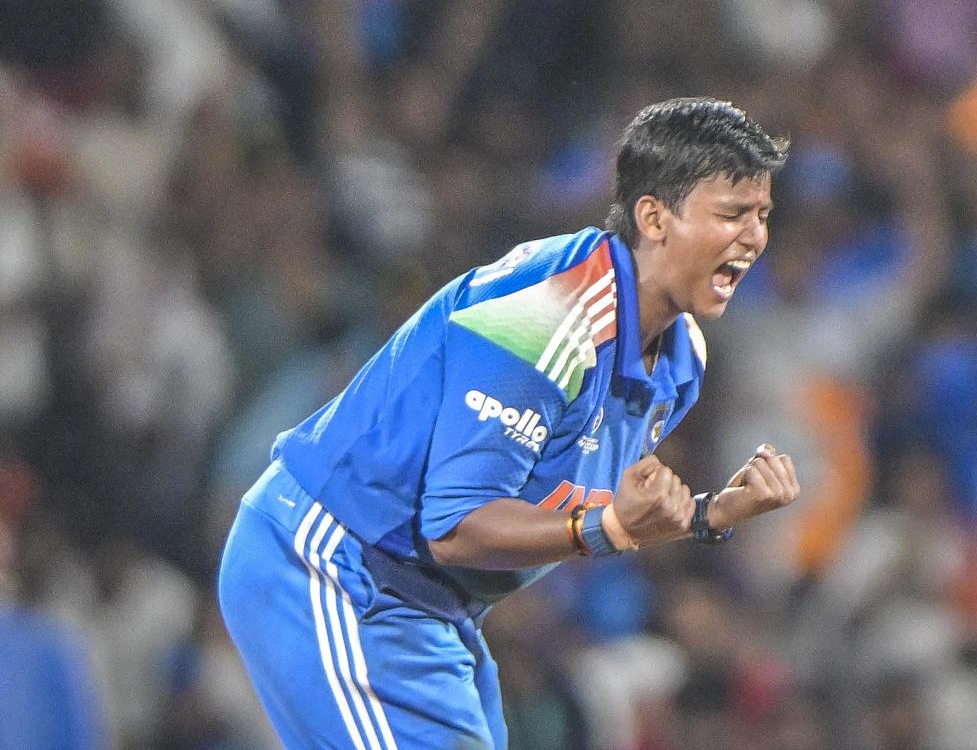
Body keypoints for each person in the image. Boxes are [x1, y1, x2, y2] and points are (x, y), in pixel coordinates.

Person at [217, 97, 802, 750]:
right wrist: (608, 529)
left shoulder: (680, 360)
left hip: (431, 610)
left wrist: (705, 515)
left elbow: (571, 499)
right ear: (654, 218)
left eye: (762, 216)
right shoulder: (550, 319)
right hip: (334, 563)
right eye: (732, 215)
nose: (755, 237)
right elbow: (456, 527)